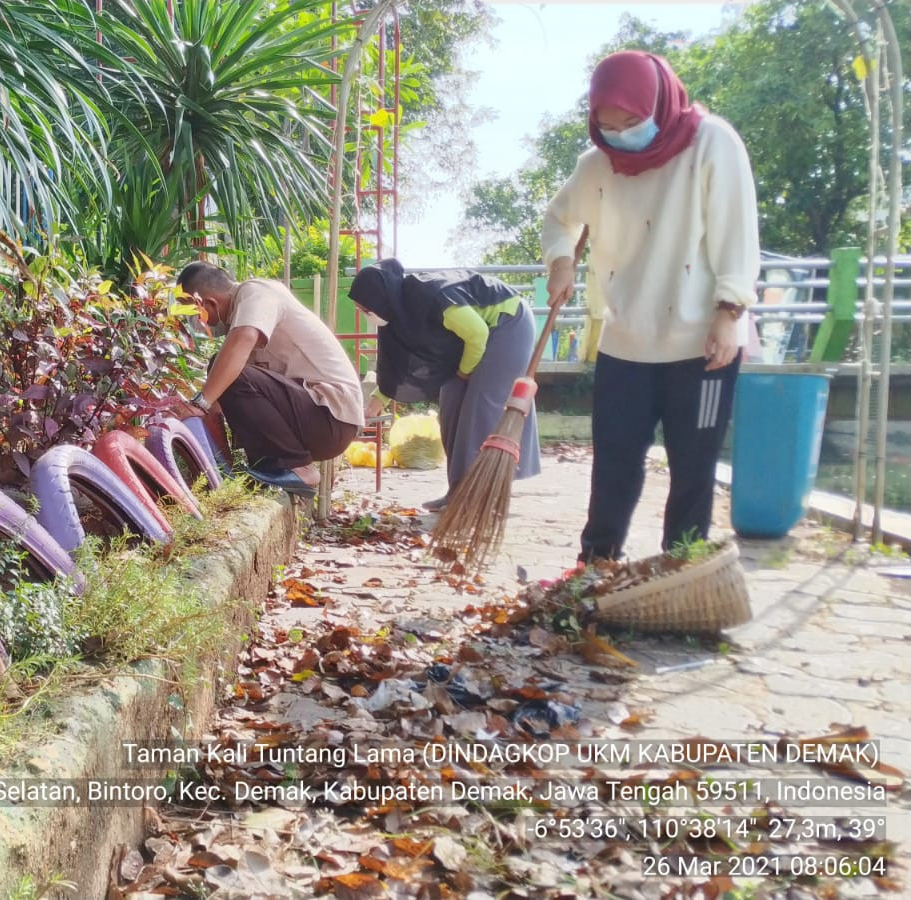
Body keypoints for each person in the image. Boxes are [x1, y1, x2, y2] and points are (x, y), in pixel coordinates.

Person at [542, 50, 758, 562]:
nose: (620, 134)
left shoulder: (711, 143)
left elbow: (737, 231)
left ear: (659, 104)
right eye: (607, 124)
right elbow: (559, 218)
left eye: (632, 122)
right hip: (626, 341)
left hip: (703, 342)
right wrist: (559, 261)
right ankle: (596, 563)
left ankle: (682, 567)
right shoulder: (597, 165)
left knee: (693, 463)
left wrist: (729, 312)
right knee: (614, 460)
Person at [349, 260, 541, 511]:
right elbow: (393, 370)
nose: (366, 315)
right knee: (450, 405)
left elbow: (477, 334)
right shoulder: (399, 316)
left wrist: (463, 372)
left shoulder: (431, 296)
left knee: (481, 404)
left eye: (365, 309)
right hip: (472, 341)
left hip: (507, 324)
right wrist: (370, 410)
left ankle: (482, 491)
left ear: (380, 299)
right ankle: (459, 488)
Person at [174, 262, 362, 496]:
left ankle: (297, 467)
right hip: (318, 420)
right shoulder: (240, 319)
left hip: (332, 416)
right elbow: (222, 407)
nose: (196, 323)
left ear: (208, 303)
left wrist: (199, 403)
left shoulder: (257, 292)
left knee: (227, 370)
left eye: (192, 313)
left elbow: (242, 340)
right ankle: (274, 467)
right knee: (223, 372)